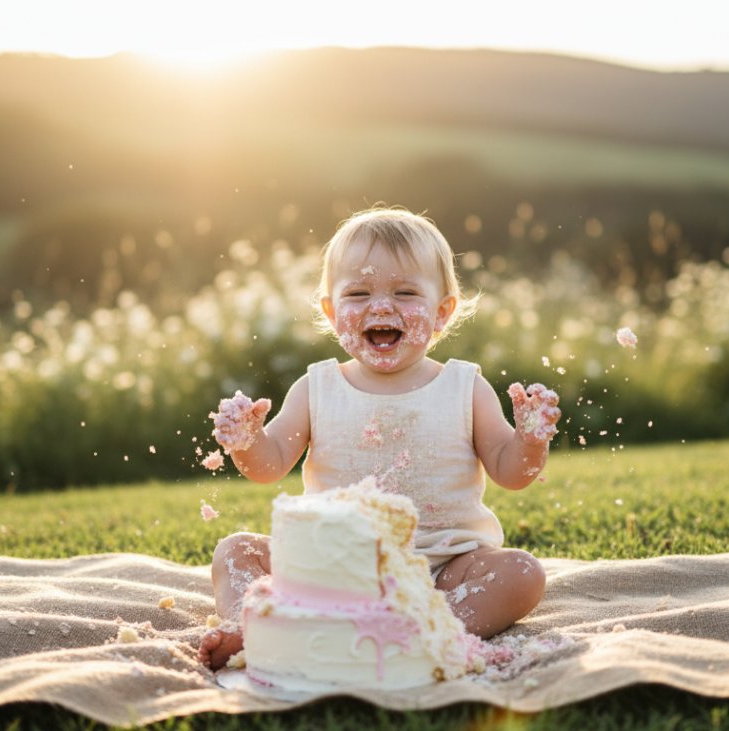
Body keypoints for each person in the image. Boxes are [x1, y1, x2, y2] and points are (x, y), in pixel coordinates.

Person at [199, 207, 561, 669]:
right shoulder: (316, 388)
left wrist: (530, 441)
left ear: (442, 313)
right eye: (358, 292)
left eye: (406, 292)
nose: (382, 306)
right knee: (236, 551)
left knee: (523, 573)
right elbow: (269, 466)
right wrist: (248, 442)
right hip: (332, 566)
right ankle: (254, 626)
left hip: (445, 569)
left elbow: (512, 473)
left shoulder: (465, 387)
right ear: (331, 312)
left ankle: (428, 631)